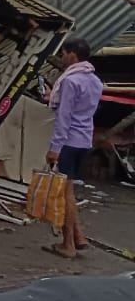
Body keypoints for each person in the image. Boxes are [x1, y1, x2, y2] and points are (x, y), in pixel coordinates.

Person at [45, 38, 103, 259]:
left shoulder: (70, 81)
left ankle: (67, 244)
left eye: (63, 53)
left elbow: (64, 117)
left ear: (72, 54)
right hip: (84, 141)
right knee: (68, 190)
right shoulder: (95, 81)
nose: (62, 58)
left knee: (64, 195)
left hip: (68, 142)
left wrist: (55, 147)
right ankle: (79, 237)